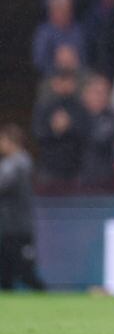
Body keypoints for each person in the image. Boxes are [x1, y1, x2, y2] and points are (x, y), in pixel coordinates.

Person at [0, 125, 46, 291]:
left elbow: (3, 185)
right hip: (8, 225)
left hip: (18, 226)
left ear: (11, 142)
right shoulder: (11, 163)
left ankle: (43, 294)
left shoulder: (19, 163)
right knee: (5, 270)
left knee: (25, 270)